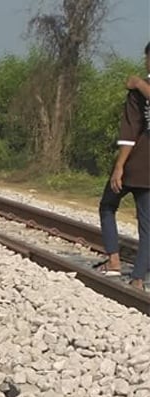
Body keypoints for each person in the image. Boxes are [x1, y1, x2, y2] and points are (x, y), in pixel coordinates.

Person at [97, 42, 150, 292]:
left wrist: (119, 166)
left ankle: (114, 260)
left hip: (134, 164)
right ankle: (138, 279)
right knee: (147, 225)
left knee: (108, 205)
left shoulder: (137, 92)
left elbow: (129, 133)